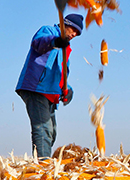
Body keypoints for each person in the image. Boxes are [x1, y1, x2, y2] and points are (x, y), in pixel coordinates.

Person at [15, 13, 83, 160]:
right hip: (36, 87)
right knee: (42, 128)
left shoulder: (66, 49)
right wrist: (56, 41)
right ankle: (43, 165)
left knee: (51, 132)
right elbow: (39, 43)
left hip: (50, 93)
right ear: (65, 24)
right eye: (73, 30)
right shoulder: (48, 32)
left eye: (77, 33)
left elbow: (61, 72)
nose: (74, 34)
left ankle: (41, 158)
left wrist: (67, 89)